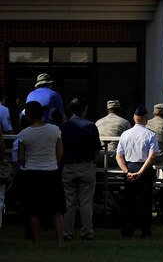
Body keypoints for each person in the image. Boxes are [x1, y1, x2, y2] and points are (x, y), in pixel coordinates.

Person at [17, 101, 65, 247]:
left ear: (29, 115)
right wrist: (52, 163)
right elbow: (60, 153)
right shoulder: (55, 130)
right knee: (57, 209)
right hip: (51, 172)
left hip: (32, 173)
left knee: (33, 210)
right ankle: (60, 241)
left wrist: (30, 164)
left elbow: (20, 158)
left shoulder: (23, 134)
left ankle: (36, 241)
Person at [60, 97, 101, 241]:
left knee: (69, 202)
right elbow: (97, 151)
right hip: (86, 165)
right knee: (86, 202)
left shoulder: (63, 127)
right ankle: (87, 232)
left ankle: (67, 233)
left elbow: (60, 149)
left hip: (69, 166)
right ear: (85, 109)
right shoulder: (90, 126)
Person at [115, 105, 158, 238]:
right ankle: (145, 231)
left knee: (129, 201)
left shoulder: (125, 134)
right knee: (146, 201)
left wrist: (126, 171)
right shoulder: (150, 134)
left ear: (134, 118)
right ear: (146, 118)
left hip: (129, 166)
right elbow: (151, 156)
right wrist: (140, 172)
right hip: (144, 168)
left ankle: (127, 231)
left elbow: (119, 155)